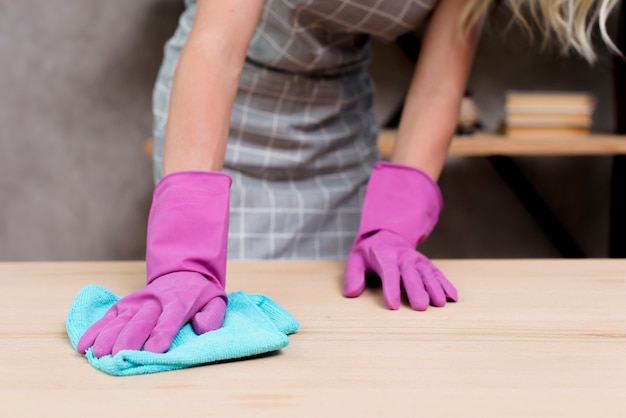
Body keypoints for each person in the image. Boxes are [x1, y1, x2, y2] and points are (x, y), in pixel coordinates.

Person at [77, 0, 619, 357]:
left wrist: (396, 223)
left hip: (337, 124)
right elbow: (216, 52)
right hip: (220, 115)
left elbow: (437, 84)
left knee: (330, 339)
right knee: (210, 338)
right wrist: (185, 254)